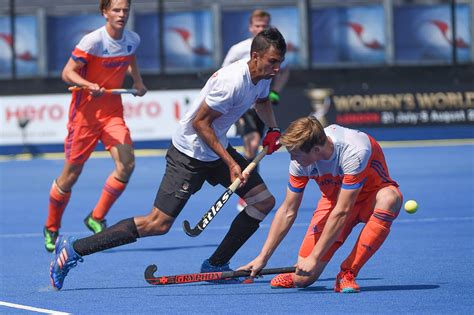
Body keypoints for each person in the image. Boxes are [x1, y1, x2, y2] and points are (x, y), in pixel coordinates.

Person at [49, 27, 287, 290]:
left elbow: (263, 101)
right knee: (157, 223)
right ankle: (74, 248)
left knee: (263, 201)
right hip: (189, 153)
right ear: (255, 56)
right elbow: (200, 123)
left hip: (216, 148)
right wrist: (231, 164)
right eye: (272, 62)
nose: (277, 68)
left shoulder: (263, 75)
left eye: (280, 63)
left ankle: (216, 263)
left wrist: (273, 129)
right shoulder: (231, 81)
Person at [239, 116, 403, 293]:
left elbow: (342, 211)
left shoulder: (354, 150)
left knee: (390, 198)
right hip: (334, 202)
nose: (292, 159)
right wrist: (263, 257)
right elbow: (287, 210)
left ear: (316, 150)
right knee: (302, 279)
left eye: (295, 154)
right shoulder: (299, 163)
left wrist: (315, 256)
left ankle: (348, 273)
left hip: (370, 197)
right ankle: (297, 274)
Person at [42, 0, 147, 253]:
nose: (122, 14)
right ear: (105, 12)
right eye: (116, 10)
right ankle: (51, 226)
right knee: (71, 175)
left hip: (112, 115)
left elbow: (130, 59)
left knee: (126, 165)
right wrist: (88, 85)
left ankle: (96, 217)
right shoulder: (92, 41)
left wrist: (139, 82)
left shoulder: (132, 39)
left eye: (125, 10)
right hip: (84, 118)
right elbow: (68, 73)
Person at [222, 9, 290, 211]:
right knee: (251, 145)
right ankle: (247, 192)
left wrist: (275, 91)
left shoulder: (274, 50)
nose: (261, 29)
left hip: (260, 102)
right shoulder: (238, 49)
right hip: (242, 106)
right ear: (251, 27)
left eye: (265, 26)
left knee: (255, 147)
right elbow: (224, 72)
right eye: (258, 26)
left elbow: (284, 70)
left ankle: (251, 188)